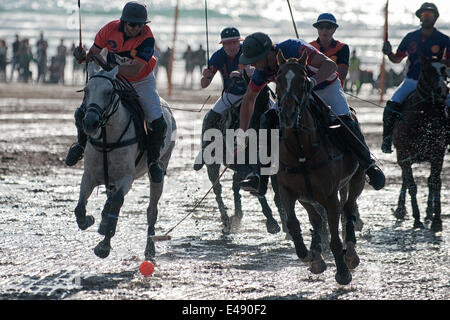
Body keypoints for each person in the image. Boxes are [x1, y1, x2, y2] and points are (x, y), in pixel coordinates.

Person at [237, 32, 385, 193]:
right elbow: (249, 99)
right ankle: (260, 176)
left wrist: (313, 81)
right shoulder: (262, 71)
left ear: (267, 54)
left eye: (255, 60)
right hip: (294, 94)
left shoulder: (294, 48)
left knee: (345, 121)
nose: (253, 65)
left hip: (326, 86)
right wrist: (243, 132)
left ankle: (369, 165)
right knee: (267, 119)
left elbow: (331, 66)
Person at [66, 1, 167, 183]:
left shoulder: (147, 38)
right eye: (132, 24)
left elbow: (135, 70)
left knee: (157, 120)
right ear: (123, 22)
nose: (135, 28)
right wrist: (83, 55)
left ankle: (153, 163)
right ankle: (80, 146)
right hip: (113, 77)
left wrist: (108, 66)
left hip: (141, 81)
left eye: (139, 25)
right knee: (83, 110)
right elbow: (94, 53)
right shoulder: (109, 30)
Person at [381, 2, 450, 153]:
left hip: (436, 83)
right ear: (420, 17)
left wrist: (438, 63)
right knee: (392, 105)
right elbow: (397, 59)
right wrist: (388, 53)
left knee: (449, 104)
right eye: (424, 15)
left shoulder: (444, 39)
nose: (426, 18)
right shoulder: (410, 37)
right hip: (412, 81)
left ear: (435, 18)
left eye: (430, 15)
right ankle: (386, 139)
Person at [193, 26, 251, 171]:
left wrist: (243, 72)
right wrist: (205, 76)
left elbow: (254, 70)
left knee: (272, 113)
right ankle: (204, 150)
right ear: (222, 45)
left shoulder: (248, 52)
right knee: (209, 118)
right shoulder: (218, 56)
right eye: (227, 43)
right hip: (231, 95)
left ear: (239, 42)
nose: (232, 46)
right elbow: (204, 85)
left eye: (234, 42)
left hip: (253, 93)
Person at [310, 13, 349, 88]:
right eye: (321, 27)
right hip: (313, 89)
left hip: (334, 89)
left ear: (334, 29)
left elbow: (342, 75)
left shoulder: (342, 48)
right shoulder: (310, 47)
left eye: (328, 27)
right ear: (317, 29)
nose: (324, 30)